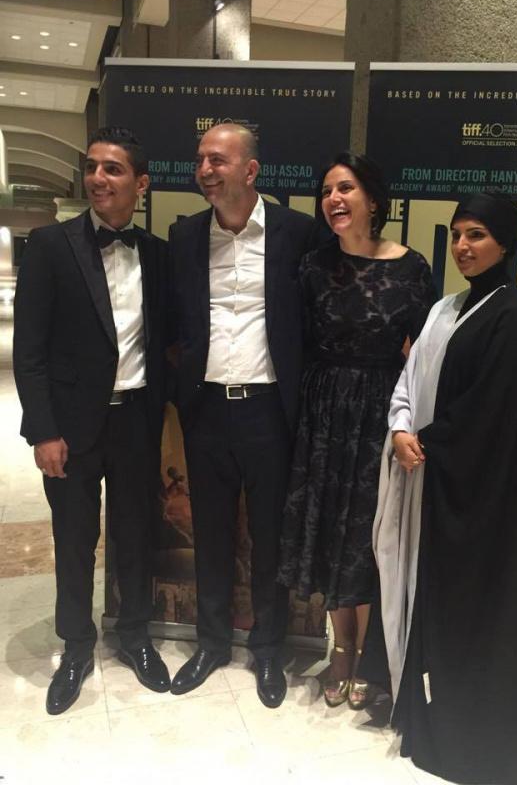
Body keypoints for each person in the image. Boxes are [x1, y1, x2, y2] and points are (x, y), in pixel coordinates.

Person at [372, 191, 517, 783]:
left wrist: (426, 440)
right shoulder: (446, 308)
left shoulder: (515, 313)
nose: (461, 246)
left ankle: (470, 731)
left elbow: (489, 412)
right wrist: (401, 427)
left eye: (476, 235)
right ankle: (427, 711)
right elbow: (410, 377)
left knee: (470, 610)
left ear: (506, 243)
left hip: (476, 500)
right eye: (455, 234)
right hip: (430, 477)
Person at [13, 127, 171, 715]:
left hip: (136, 420)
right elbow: (29, 350)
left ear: (141, 183)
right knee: (74, 539)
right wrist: (43, 431)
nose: (98, 178)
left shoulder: (156, 253)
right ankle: (76, 647)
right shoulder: (50, 245)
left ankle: (135, 635)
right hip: (71, 427)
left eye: (113, 169)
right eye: (93, 167)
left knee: (136, 534)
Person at [168, 123, 321, 708]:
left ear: (250, 170)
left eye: (218, 160)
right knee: (210, 533)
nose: (205, 170)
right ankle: (211, 642)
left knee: (270, 538)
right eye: (200, 160)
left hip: (269, 413)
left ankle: (268, 649)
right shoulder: (185, 235)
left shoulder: (296, 233)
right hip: (206, 409)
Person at [277, 152, 436, 709]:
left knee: (369, 534)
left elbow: (426, 357)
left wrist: (410, 422)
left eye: (345, 188)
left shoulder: (413, 268)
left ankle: (369, 653)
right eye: (326, 191)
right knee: (330, 531)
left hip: (380, 414)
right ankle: (341, 647)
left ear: (373, 199)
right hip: (323, 412)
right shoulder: (312, 266)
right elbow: (293, 341)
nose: (333, 200)